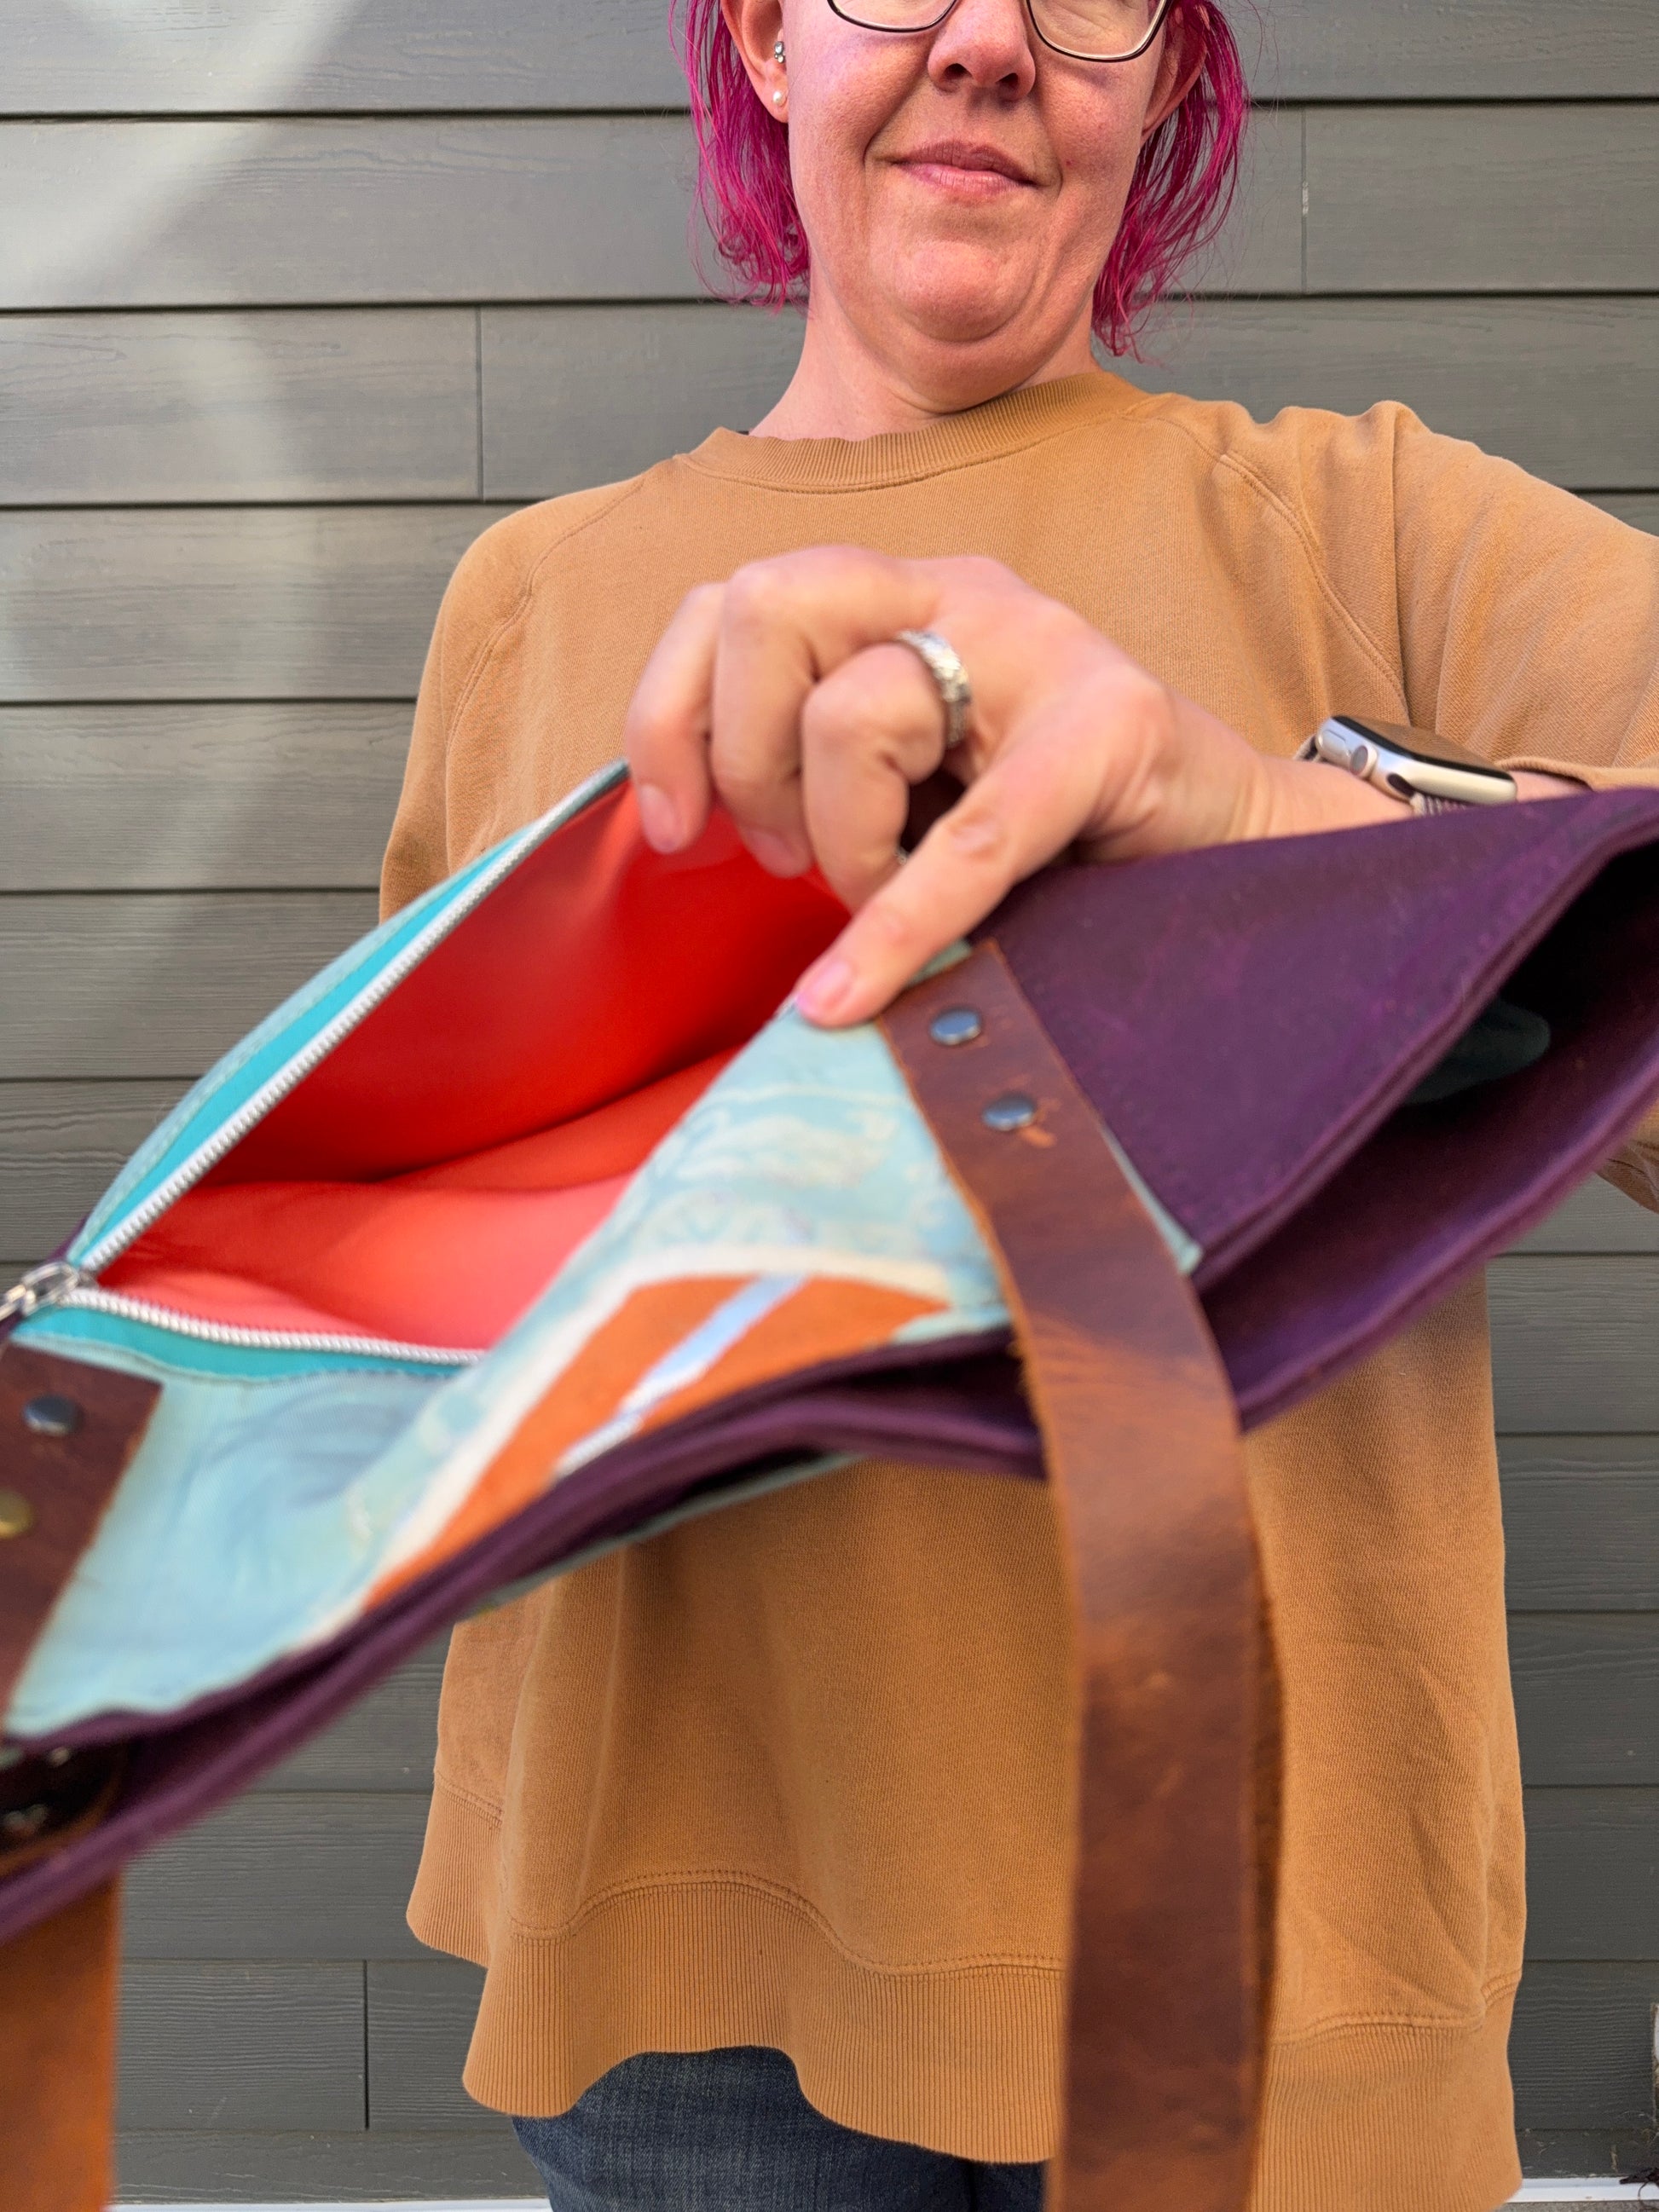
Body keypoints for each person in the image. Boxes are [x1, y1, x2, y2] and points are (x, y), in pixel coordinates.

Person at [379, 1, 1659, 2205]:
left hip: (1268, 1969)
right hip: (665, 1974)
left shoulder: (1390, 527)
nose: (984, 38)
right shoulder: (522, 600)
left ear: (1158, 73)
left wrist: (1265, 817)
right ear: (766, 43)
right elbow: (412, 1248)